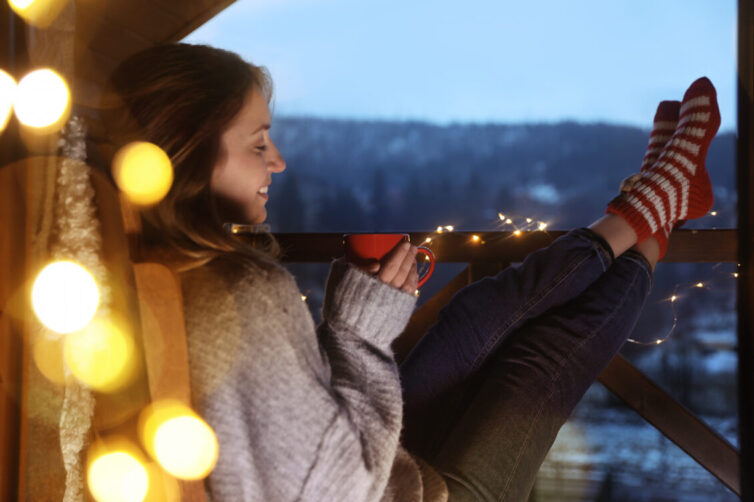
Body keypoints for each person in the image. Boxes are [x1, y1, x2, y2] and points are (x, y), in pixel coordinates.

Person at [97, 42, 720, 501]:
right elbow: (342, 487)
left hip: (373, 459)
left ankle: (651, 204)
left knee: (478, 311)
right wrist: (358, 337)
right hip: (404, 491)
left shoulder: (176, 269)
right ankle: (652, 209)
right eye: (259, 143)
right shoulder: (237, 292)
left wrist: (351, 327)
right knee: (539, 360)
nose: (279, 162)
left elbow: (285, 416)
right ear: (187, 151)